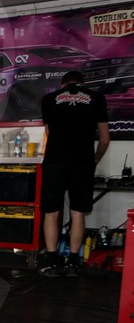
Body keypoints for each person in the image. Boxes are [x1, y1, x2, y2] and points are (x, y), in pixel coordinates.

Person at [38, 71, 110, 277]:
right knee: (78, 212)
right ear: (83, 83)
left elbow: (49, 133)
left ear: (63, 84)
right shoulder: (96, 98)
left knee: (51, 212)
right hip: (82, 162)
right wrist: (94, 160)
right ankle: (73, 263)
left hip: (55, 161)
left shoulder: (49, 99)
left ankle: (51, 263)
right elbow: (104, 139)